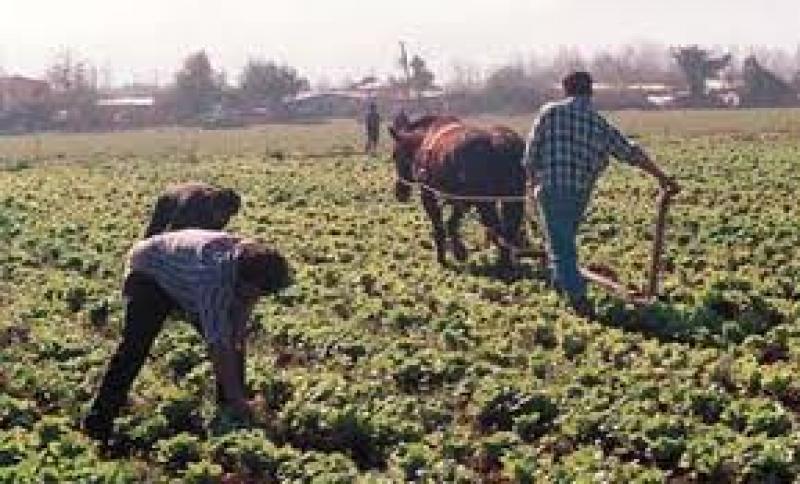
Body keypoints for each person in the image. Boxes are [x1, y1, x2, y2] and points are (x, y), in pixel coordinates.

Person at [83, 229, 292, 441]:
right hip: (148, 271)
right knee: (135, 348)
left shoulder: (252, 264)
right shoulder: (213, 279)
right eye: (257, 291)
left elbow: (237, 329)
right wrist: (238, 397)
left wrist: (237, 339)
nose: (258, 298)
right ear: (243, 280)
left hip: (184, 271)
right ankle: (98, 422)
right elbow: (218, 345)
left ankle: (230, 418)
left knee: (230, 344)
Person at [523, 71, 679, 316]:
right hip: (579, 192)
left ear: (565, 90)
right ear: (590, 91)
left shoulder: (549, 113)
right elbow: (630, 152)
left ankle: (578, 299)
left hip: (551, 189)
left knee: (561, 245)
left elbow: (530, 154)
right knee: (562, 241)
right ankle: (559, 284)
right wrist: (662, 178)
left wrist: (532, 184)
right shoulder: (597, 122)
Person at [144, 182, 241, 238]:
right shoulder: (190, 205)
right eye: (222, 214)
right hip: (170, 200)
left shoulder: (224, 213)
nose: (224, 219)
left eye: (228, 215)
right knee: (153, 234)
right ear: (213, 206)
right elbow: (173, 234)